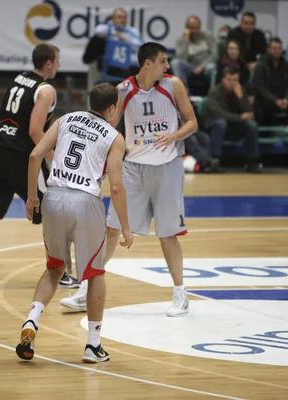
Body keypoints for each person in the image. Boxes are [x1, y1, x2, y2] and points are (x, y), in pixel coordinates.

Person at [60, 42, 198, 316]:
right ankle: (86, 289)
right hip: (133, 167)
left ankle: (180, 295)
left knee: (168, 234)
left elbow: (192, 122)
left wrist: (173, 136)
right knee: (111, 230)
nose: (167, 66)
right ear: (148, 63)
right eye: (163, 60)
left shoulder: (174, 85)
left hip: (167, 167)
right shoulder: (124, 90)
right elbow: (109, 126)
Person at [15, 83, 133, 363]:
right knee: (94, 273)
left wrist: (32, 197)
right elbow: (116, 187)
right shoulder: (115, 137)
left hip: (53, 198)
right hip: (85, 202)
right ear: (113, 108)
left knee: (54, 268)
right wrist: (126, 227)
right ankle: (93, 345)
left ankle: (32, 320)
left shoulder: (65, 119)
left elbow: (34, 155)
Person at [0, 44, 78, 288]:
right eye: (57, 60)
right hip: (24, 159)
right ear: (48, 63)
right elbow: (35, 131)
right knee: (54, 214)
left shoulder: (19, 79)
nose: (59, 64)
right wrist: (54, 157)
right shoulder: (46, 90)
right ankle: (59, 272)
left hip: (0, 153)